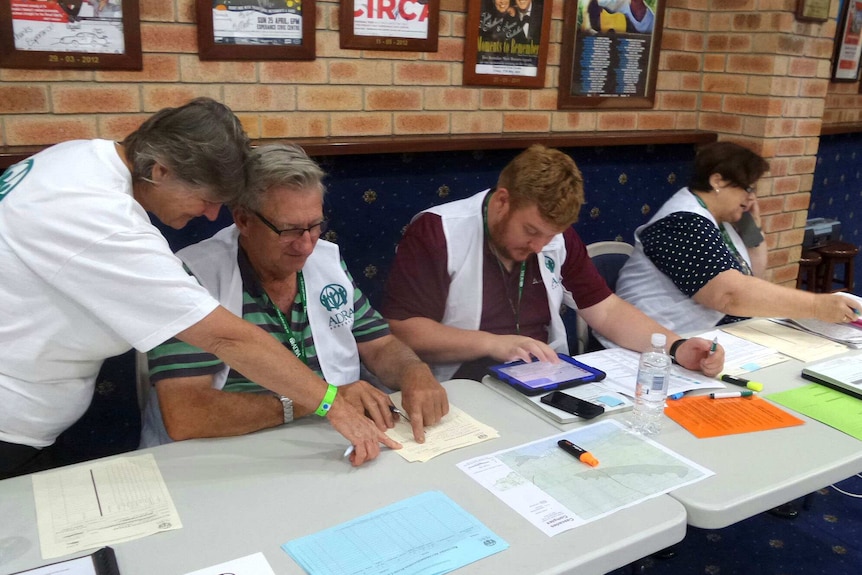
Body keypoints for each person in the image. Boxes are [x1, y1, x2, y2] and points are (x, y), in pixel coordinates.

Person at [0, 98, 395, 480]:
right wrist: (330, 403)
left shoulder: (79, 156)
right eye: (207, 199)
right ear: (159, 171)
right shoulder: (102, 222)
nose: (209, 215)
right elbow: (228, 338)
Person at [141, 144, 448, 448]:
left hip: (335, 438)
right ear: (243, 220)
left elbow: (380, 344)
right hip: (235, 449)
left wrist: (414, 371)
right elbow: (187, 415)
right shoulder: (192, 276)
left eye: (314, 226)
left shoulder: (326, 261)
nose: (305, 246)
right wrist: (318, 401)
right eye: (287, 230)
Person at [381, 144, 725, 383]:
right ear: (503, 201)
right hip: (460, 384)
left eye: (550, 235)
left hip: (543, 379)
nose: (538, 246)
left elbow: (605, 311)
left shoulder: (555, 238)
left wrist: (675, 347)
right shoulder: (437, 231)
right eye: (530, 231)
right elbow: (405, 329)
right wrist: (492, 343)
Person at [615, 141, 858, 334]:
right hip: (655, 341)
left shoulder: (719, 221)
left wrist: (752, 227)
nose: (751, 198)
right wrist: (816, 306)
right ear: (717, 181)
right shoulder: (682, 222)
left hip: (703, 335)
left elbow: (752, 277)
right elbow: (729, 295)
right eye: (747, 188)